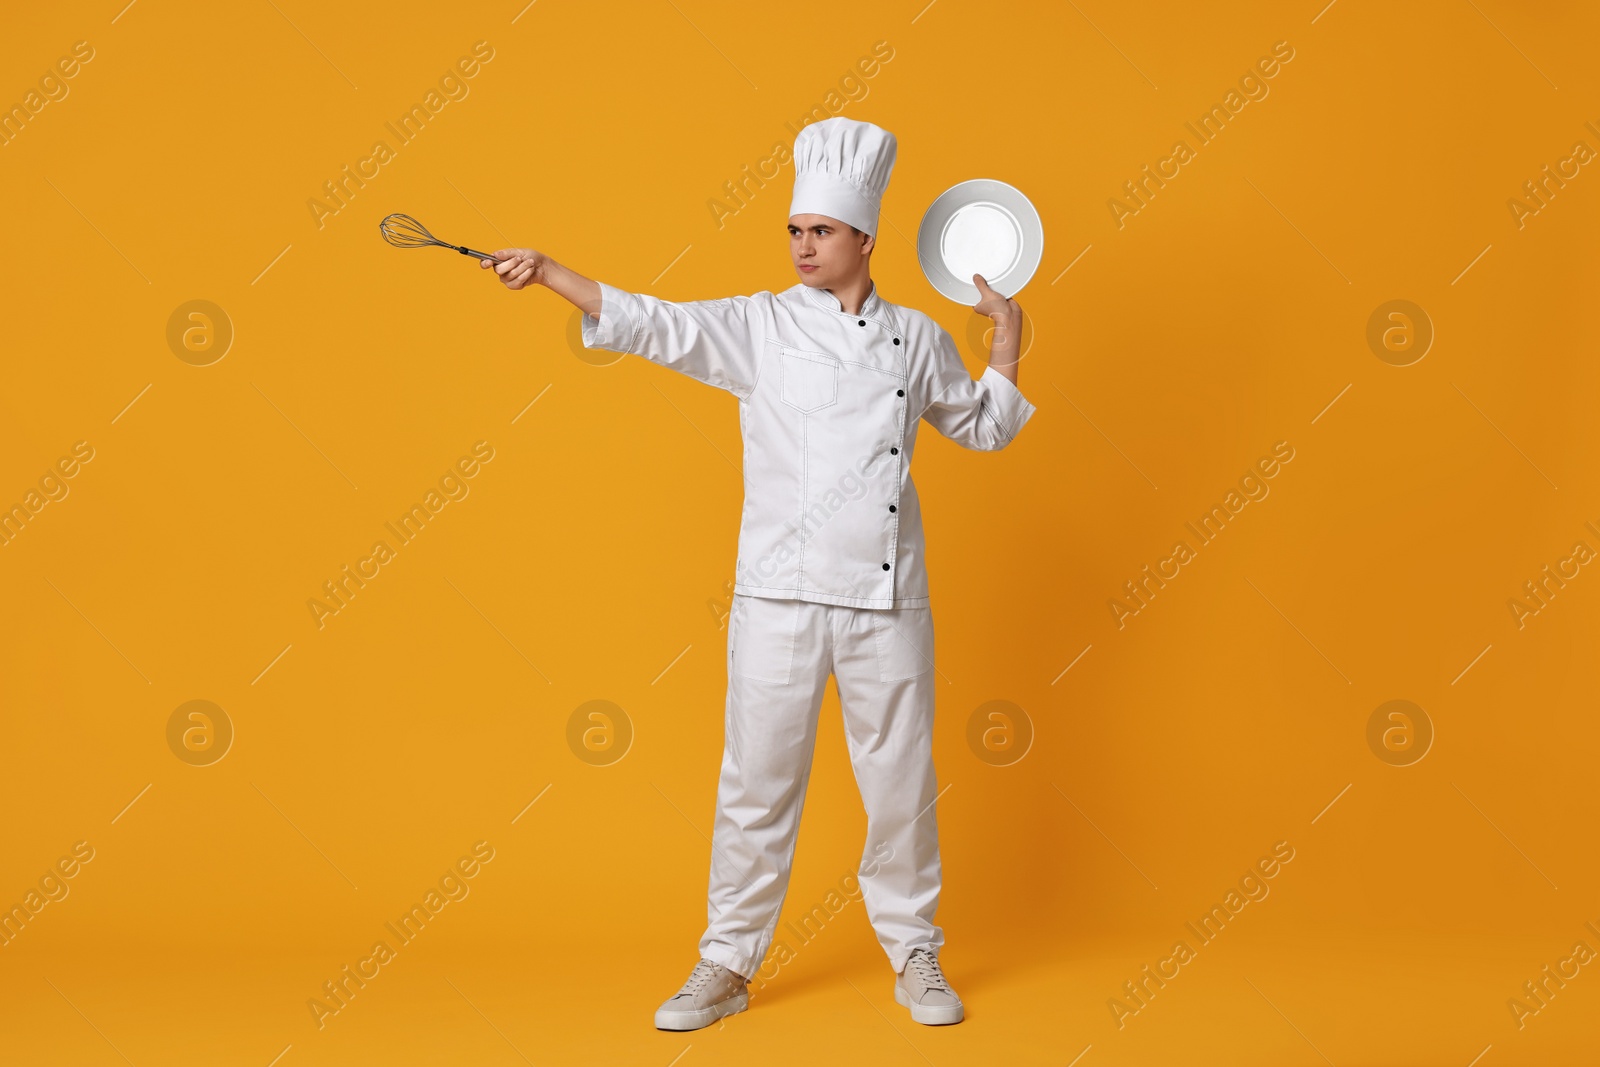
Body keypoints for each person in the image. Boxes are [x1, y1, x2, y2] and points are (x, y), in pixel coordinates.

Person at [483, 116, 1036, 1030]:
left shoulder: (920, 338)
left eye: (821, 231)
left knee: (899, 783)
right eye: (794, 230)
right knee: (757, 784)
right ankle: (725, 965)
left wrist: (1006, 346)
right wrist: (550, 274)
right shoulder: (759, 325)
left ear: (865, 237)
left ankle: (916, 954)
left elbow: (983, 426)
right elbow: (653, 323)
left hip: (886, 598)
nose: (803, 246)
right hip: (777, 596)